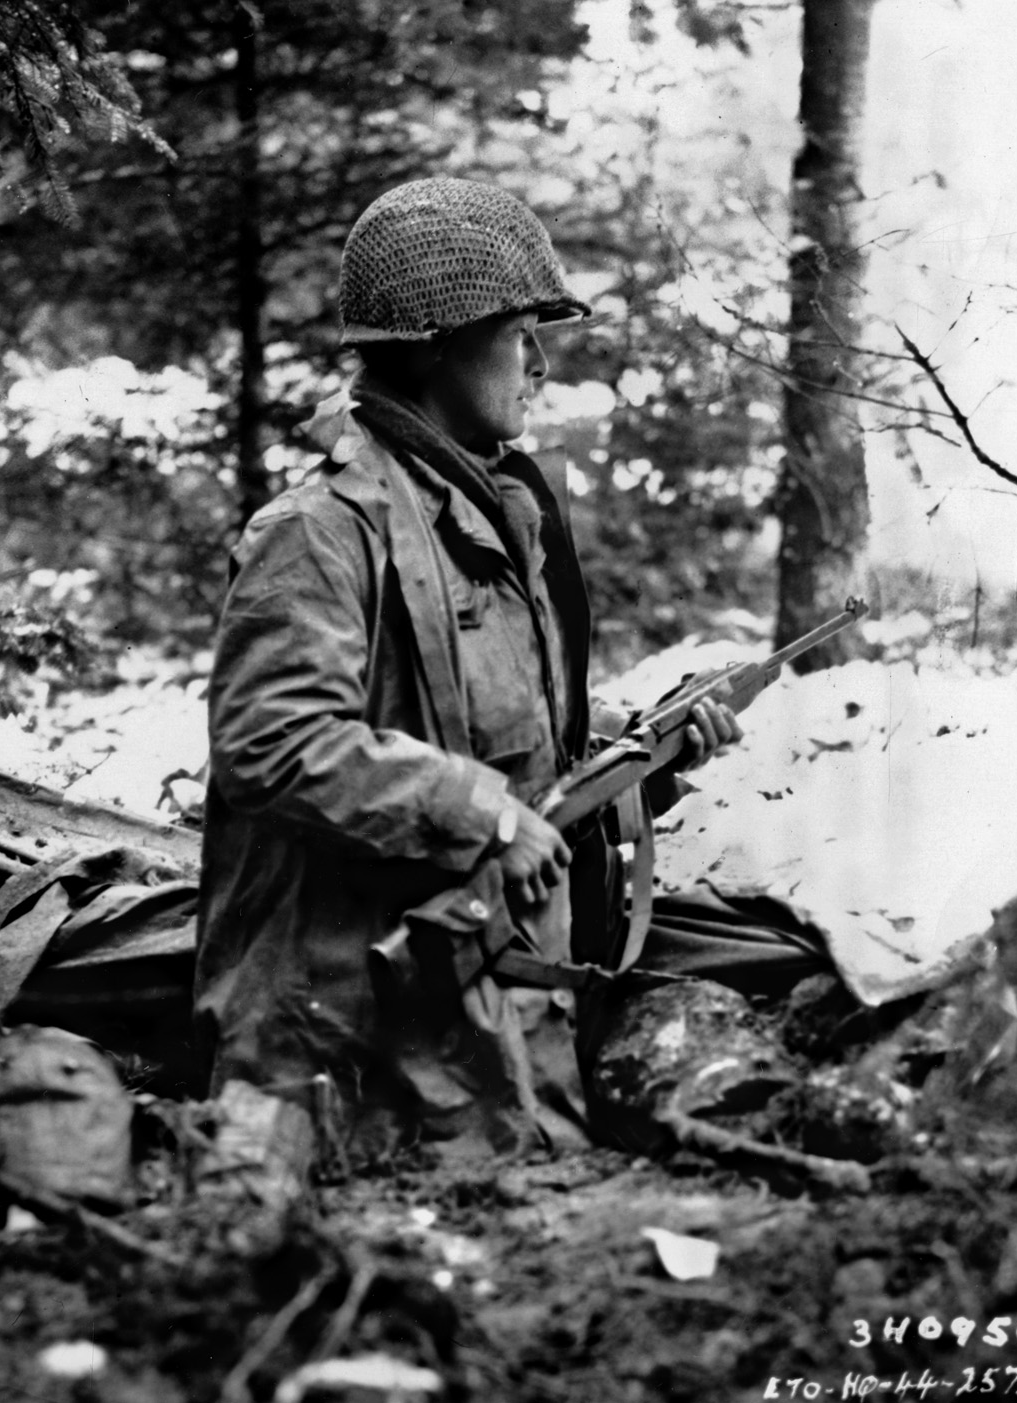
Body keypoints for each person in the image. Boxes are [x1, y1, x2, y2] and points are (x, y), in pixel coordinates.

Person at [193, 177, 742, 1194]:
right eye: (520, 331)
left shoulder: (487, 519)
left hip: (495, 1040)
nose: (539, 361)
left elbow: (510, 747)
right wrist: (482, 812)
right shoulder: (319, 532)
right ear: (438, 340)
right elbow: (274, 744)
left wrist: (637, 747)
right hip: (348, 1051)